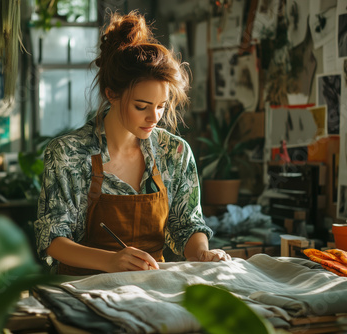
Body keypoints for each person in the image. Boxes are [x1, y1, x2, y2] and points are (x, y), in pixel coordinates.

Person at [34, 10, 231, 276]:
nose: (154, 118)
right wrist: (110, 262)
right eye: (142, 106)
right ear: (112, 94)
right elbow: (53, 240)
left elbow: (188, 226)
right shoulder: (68, 153)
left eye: (161, 106)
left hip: (151, 289)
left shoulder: (174, 152)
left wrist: (203, 254)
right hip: (81, 291)